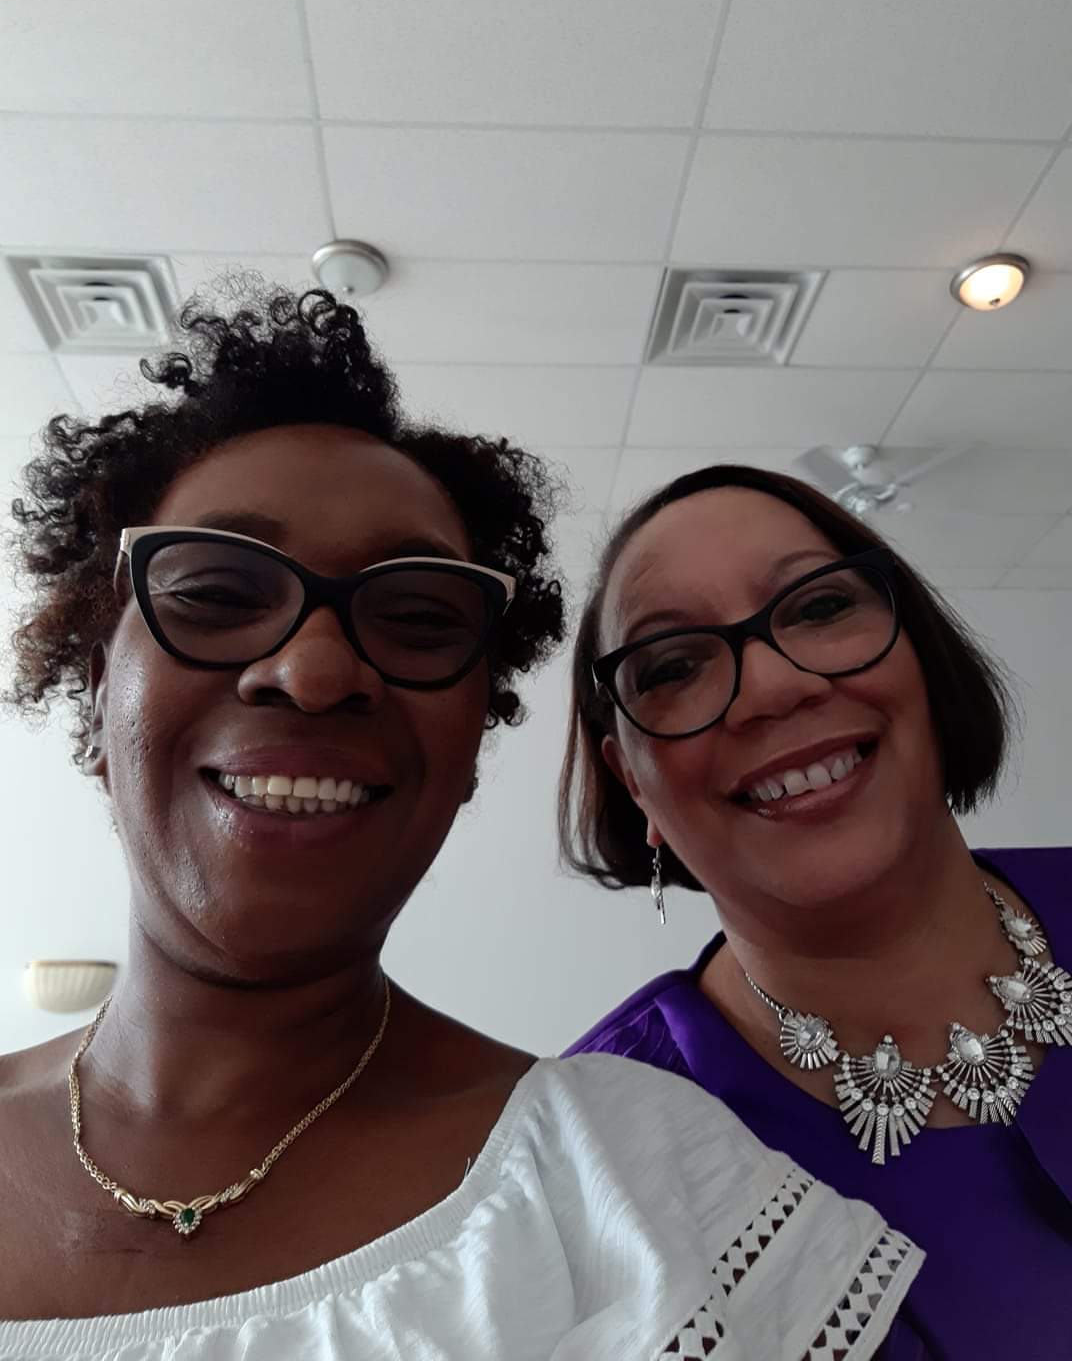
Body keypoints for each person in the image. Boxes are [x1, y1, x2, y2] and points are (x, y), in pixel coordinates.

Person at [0, 295, 920, 1360]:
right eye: (215, 592)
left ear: (471, 735)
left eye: (419, 618)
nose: (314, 669)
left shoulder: (637, 1187)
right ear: (98, 675)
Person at [561, 462, 1072, 1359]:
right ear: (628, 779)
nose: (771, 689)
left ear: (920, 651)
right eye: (673, 665)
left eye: (820, 609)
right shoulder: (595, 1174)